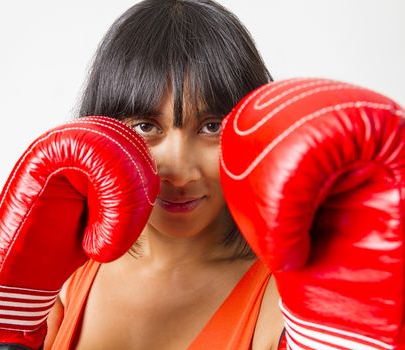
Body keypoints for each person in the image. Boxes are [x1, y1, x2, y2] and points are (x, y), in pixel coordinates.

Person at [45, 0, 286, 349]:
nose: (179, 172)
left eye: (211, 126)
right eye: (146, 126)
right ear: (101, 132)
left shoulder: (281, 303)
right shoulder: (63, 281)